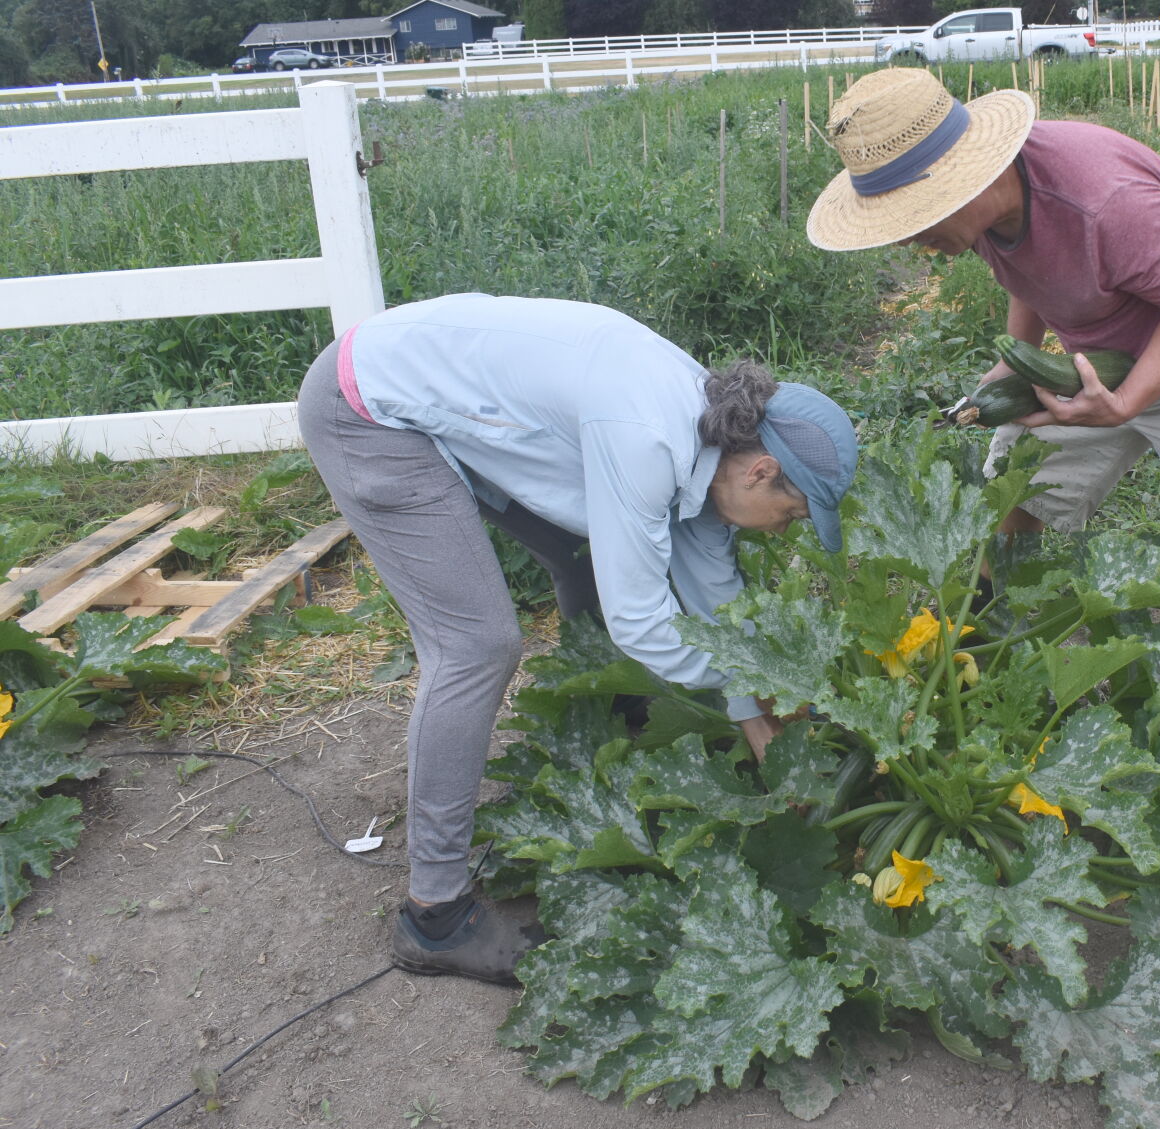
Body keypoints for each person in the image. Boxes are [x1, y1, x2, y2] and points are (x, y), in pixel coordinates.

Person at [805, 69, 1160, 807]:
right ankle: (973, 679)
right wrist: (1013, 365)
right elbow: (1030, 274)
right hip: (1095, 360)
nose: (917, 241)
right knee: (1014, 505)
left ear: (957, 183)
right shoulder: (992, 208)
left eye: (914, 218)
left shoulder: (1101, 199)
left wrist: (1121, 405)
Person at [297, 293, 858, 983]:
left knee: (578, 556)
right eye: (792, 513)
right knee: (476, 644)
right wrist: (767, 679)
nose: (785, 528)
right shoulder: (649, 438)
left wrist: (759, 720)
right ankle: (434, 914)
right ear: (760, 470)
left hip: (452, 396)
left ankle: (604, 720)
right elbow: (640, 622)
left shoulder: (715, 441)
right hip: (367, 409)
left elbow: (718, 606)